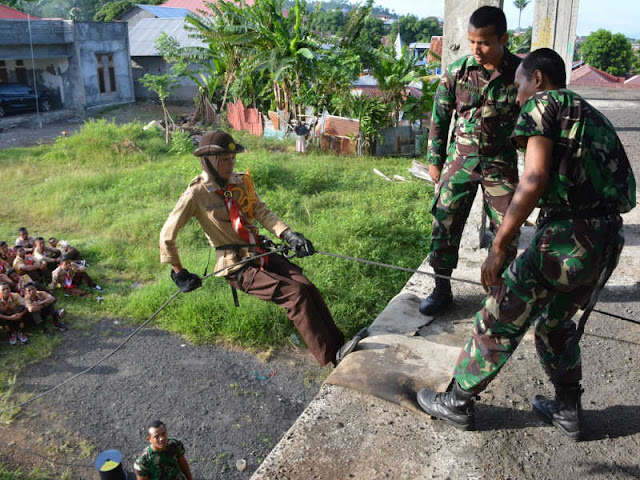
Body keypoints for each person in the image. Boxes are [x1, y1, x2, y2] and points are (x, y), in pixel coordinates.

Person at [416, 48, 636, 442]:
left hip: (567, 239)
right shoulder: (591, 116)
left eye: (518, 85)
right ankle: (568, 410)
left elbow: (532, 180)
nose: (515, 96)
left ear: (536, 80)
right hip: (606, 240)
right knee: (555, 324)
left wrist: (501, 244)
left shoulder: (543, 104)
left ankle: (457, 401)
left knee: (501, 314)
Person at [159, 130, 365, 367]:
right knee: (295, 295)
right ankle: (333, 356)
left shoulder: (240, 182)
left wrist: (289, 234)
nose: (230, 163)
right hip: (236, 264)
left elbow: (260, 211)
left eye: (232, 158)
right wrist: (178, 272)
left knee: (306, 286)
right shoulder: (195, 194)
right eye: (224, 159)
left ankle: (341, 346)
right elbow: (167, 235)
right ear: (207, 161)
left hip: (260, 250)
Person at [420, 6, 521, 317]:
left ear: (504, 39)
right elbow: (439, 117)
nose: (477, 49)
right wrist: (435, 160)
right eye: (472, 42)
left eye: (485, 42)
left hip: (500, 164)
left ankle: (497, 291)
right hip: (460, 160)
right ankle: (441, 288)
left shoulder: (520, 74)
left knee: (507, 228)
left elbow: (535, 120)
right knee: (445, 222)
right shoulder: (459, 71)